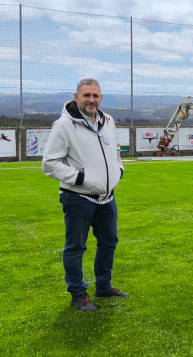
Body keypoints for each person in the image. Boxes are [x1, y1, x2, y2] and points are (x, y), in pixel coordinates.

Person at [42, 78, 128, 312]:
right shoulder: (64, 125)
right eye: (87, 95)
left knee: (109, 242)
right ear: (76, 96)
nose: (91, 100)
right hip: (78, 198)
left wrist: (118, 171)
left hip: (107, 197)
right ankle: (78, 294)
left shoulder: (107, 120)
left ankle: (104, 286)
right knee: (76, 247)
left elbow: (116, 151)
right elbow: (49, 164)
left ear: (101, 97)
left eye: (96, 96)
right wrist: (82, 179)